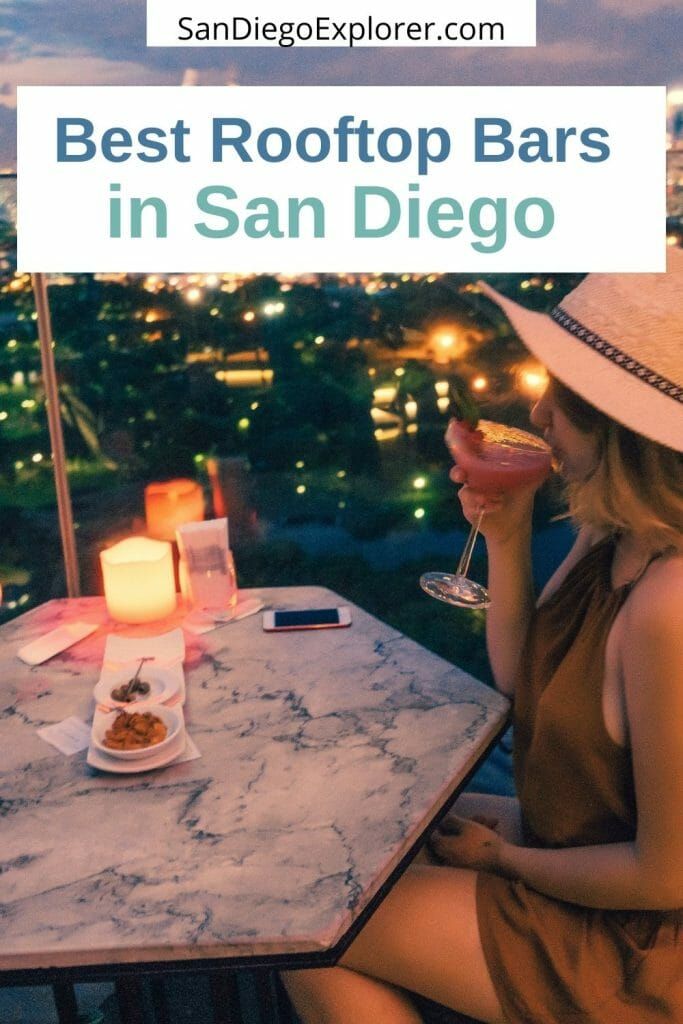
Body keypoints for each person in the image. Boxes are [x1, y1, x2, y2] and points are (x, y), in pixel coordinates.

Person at [282, 252, 683, 1024]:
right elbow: (517, 679)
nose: (535, 419)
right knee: (356, 832)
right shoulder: (610, 528)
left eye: (558, 401)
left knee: (313, 921)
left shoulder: (667, 605)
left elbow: (665, 876)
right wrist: (506, 535)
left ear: (622, 426)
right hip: (568, 859)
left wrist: (505, 857)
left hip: (634, 948)